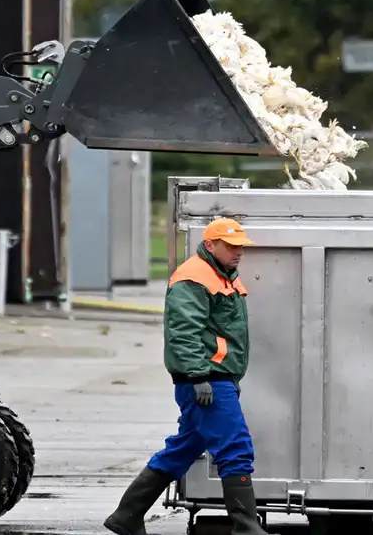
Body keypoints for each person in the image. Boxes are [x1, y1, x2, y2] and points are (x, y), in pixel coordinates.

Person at [103, 218, 267, 535]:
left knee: (185, 448)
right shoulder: (194, 277)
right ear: (210, 245)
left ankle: (126, 517)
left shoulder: (222, 275)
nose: (239, 252)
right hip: (207, 381)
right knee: (236, 448)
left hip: (213, 379)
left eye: (241, 247)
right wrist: (198, 376)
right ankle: (246, 527)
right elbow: (184, 332)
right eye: (231, 246)